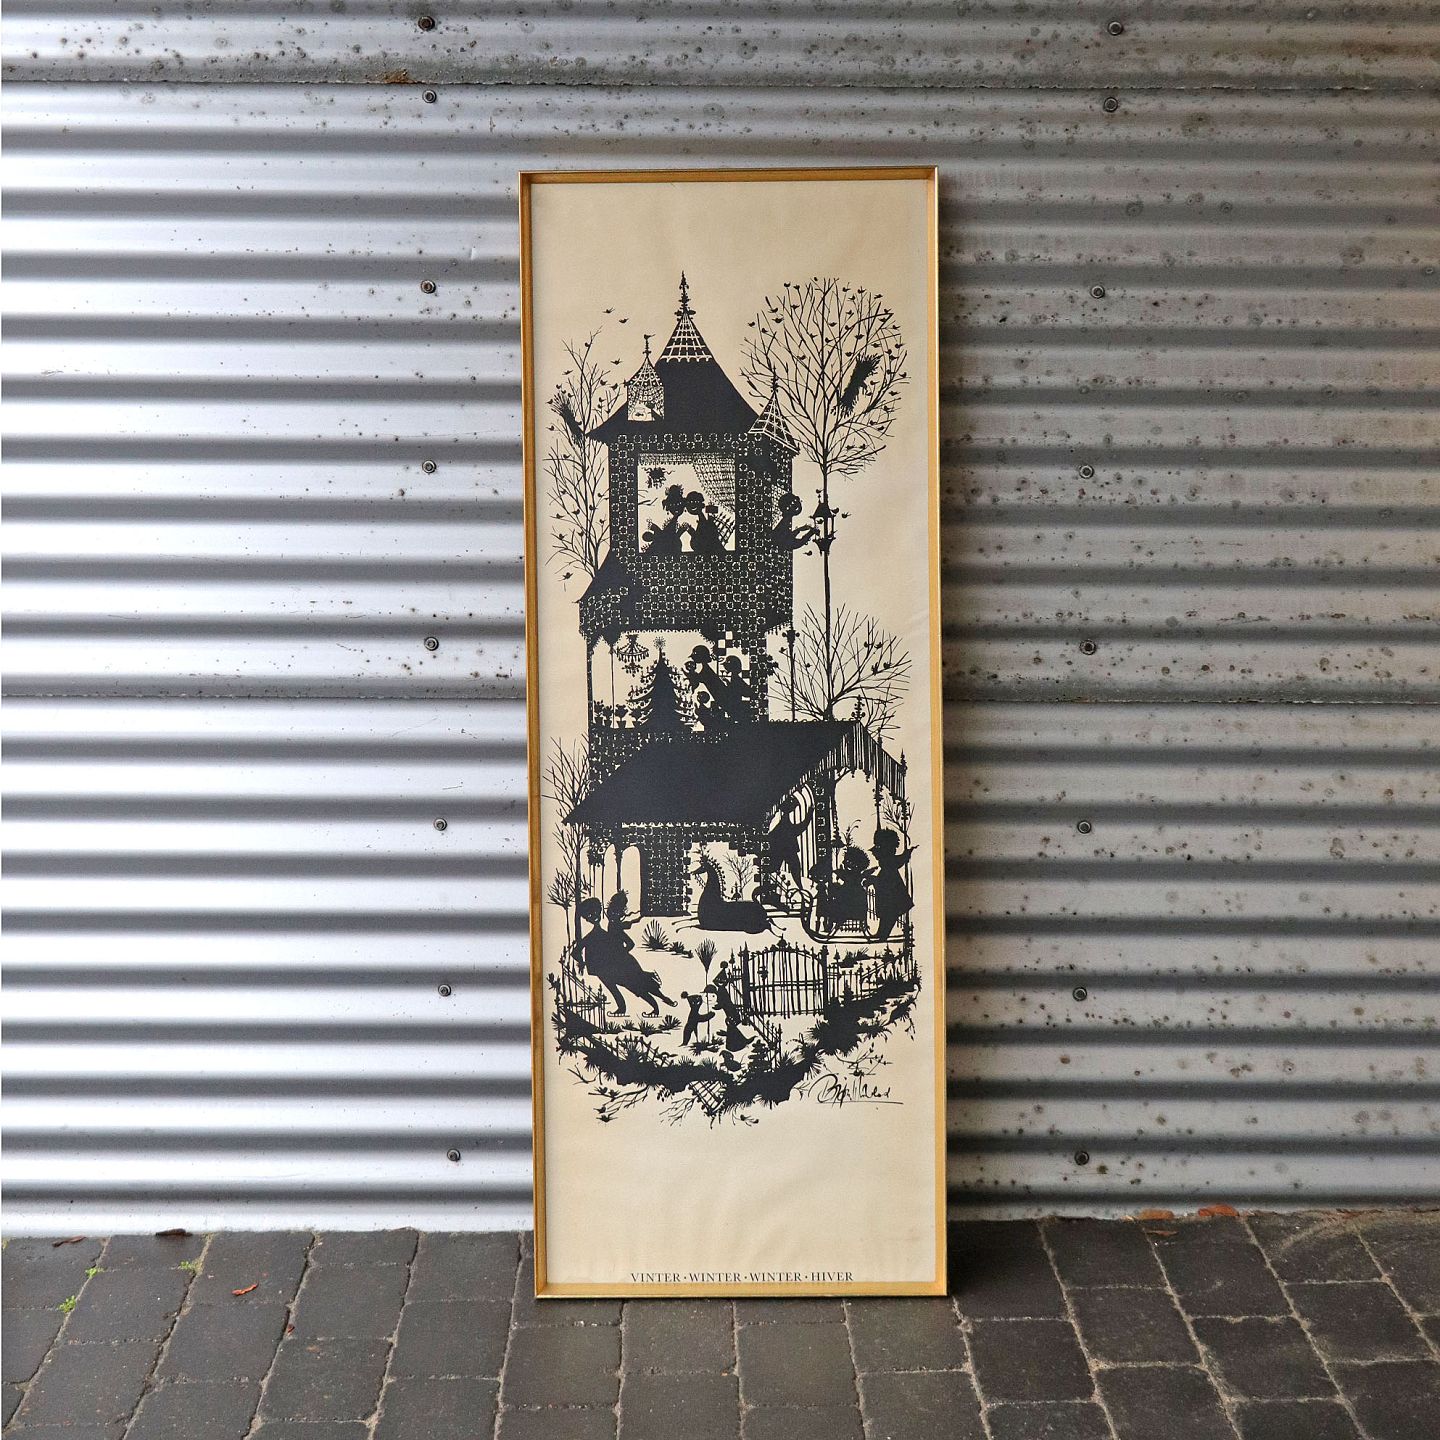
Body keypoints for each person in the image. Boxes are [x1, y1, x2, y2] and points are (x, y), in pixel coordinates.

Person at [867, 827, 915, 940]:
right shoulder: (887, 857)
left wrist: (907, 853)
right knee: (887, 912)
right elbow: (899, 860)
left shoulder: (889, 859)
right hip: (887, 882)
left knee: (890, 912)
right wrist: (907, 853)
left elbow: (898, 861)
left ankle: (883, 933)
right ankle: (882, 933)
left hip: (891, 884)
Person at [641, 484, 687, 555]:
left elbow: (671, 535)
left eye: (678, 504)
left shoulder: (658, 533)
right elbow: (671, 538)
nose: (675, 507)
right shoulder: (657, 539)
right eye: (672, 505)